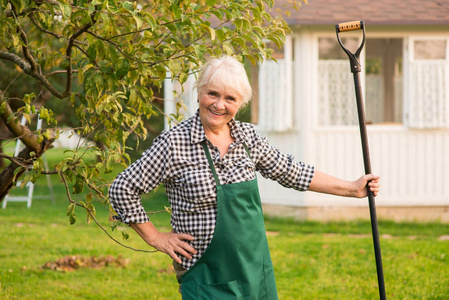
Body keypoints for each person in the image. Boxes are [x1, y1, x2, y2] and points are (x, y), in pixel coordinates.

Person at [108, 55, 380, 299]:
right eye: (212, 94)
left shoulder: (247, 138)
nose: (219, 105)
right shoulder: (174, 143)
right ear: (199, 92)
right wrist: (157, 238)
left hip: (254, 272)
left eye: (230, 98)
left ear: (241, 103)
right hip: (206, 276)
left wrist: (352, 189)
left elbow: (292, 171)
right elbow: (122, 189)